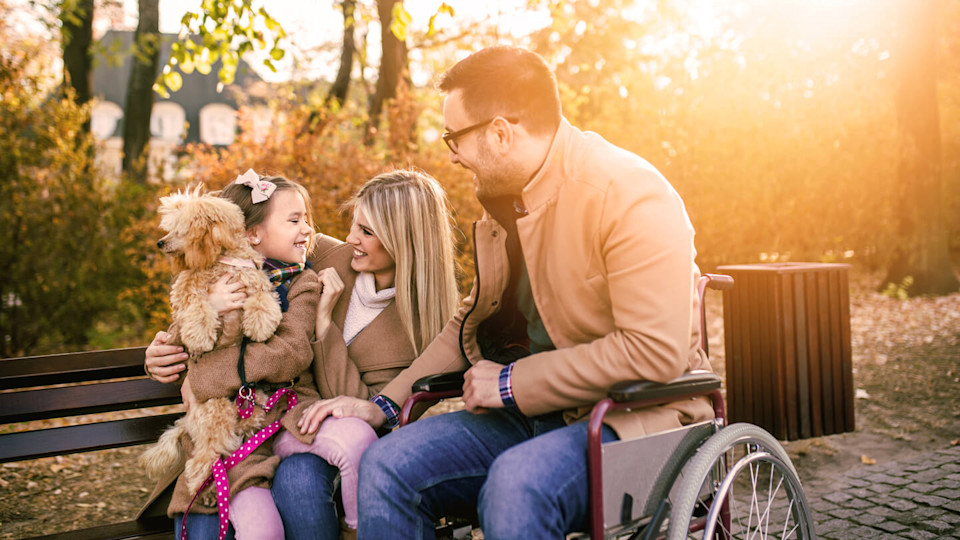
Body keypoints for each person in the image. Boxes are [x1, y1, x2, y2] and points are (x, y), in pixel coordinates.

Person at [303, 46, 716, 539]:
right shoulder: (508, 205)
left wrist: (510, 383)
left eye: (453, 136)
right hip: (533, 418)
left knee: (516, 484)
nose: (449, 153)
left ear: (500, 132)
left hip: (635, 422)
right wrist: (384, 406)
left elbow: (654, 352)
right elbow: (466, 325)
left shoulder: (629, 194)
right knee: (387, 463)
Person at [145, 169, 461, 540]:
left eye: (366, 232)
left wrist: (324, 327)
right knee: (210, 516)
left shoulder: (423, 332)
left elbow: (366, 409)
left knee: (300, 485)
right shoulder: (327, 253)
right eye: (354, 225)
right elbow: (237, 217)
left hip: (311, 430)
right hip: (244, 427)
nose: (349, 238)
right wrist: (164, 353)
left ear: (404, 241)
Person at [141, 172, 320, 540]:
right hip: (215, 433)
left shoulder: (301, 281)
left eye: (306, 219)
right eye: (294, 219)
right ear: (250, 233)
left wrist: (202, 378)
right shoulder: (209, 275)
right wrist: (160, 354)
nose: (306, 228)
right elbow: (184, 336)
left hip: (266, 426)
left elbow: (287, 353)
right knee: (204, 509)